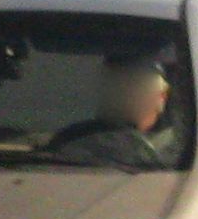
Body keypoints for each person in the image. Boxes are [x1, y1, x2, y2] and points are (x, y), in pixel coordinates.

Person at [48, 53, 179, 169]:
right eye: (117, 84)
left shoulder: (182, 148)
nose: (126, 93)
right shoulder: (72, 139)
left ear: (161, 96)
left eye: (136, 83)